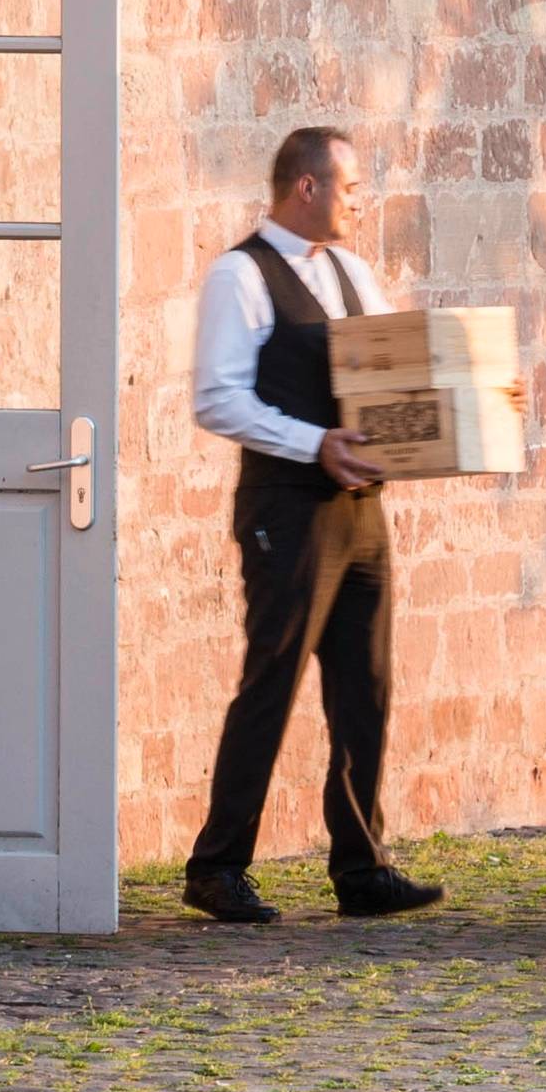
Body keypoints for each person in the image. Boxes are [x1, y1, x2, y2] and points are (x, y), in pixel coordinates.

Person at [181, 124, 442, 927]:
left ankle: (362, 868)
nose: (360, 202)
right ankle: (216, 868)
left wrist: (462, 408)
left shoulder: (353, 272)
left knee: (366, 686)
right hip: (286, 508)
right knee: (273, 680)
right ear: (307, 187)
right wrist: (313, 444)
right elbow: (217, 399)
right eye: (350, 187)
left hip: (360, 509)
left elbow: (395, 372)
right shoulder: (240, 275)